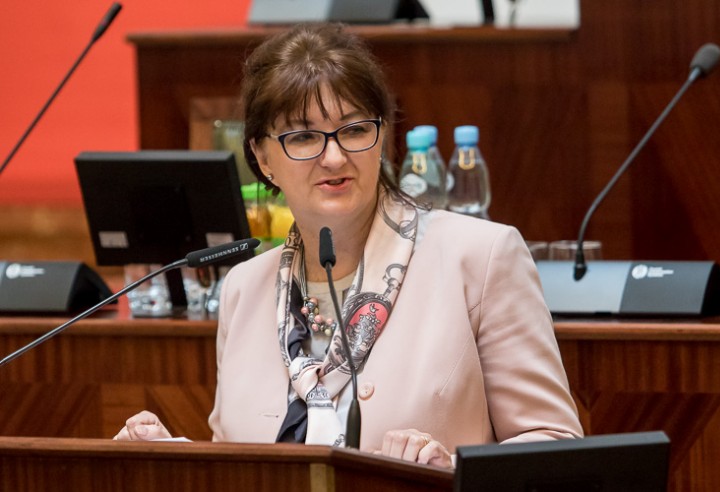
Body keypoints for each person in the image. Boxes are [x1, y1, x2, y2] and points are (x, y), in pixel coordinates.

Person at [113, 23, 583, 468]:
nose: (334, 157)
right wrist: (174, 458)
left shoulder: (480, 257)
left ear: (382, 136)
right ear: (261, 156)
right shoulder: (244, 287)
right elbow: (238, 462)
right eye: (303, 137)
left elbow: (554, 447)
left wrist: (450, 470)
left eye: (355, 130)